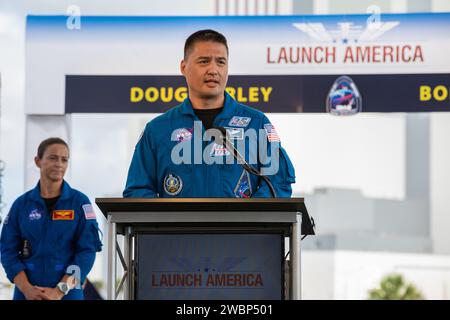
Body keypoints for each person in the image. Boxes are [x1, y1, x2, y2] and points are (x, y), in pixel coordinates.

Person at [123, 29, 295, 198]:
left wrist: (247, 219)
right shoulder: (157, 130)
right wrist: (170, 223)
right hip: (177, 227)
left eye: (221, 62)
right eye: (204, 61)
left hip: (241, 227)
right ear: (183, 67)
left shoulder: (256, 123)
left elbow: (278, 182)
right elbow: (138, 191)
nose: (213, 69)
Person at [0, 137, 102, 300]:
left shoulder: (80, 203)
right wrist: (27, 289)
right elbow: (7, 250)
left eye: (64, 159)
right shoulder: (21, 205)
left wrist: (59, 290)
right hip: (27, 293)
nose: (59, 164)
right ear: (38, 161)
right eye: (53, 158)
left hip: (68, 293)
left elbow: (87, 251)